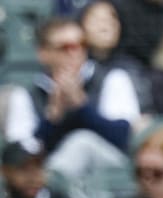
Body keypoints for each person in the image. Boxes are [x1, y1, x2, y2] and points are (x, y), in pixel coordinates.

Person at [13, 17, 140, 179]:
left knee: (81, 143)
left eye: (82, 45)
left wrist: (81, 106)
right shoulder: (25, 94)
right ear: (43, 53)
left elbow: (123, 137)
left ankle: (48, 189)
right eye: (66, 47)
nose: (76, 53)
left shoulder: (113, 78)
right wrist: (53, 118)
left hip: (108, 168)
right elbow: (20, 154)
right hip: (48, 166)